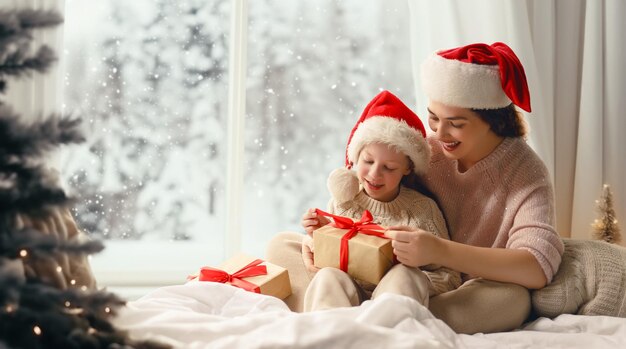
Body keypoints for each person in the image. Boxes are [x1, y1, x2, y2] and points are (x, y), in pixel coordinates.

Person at [266, 42, 564, 334]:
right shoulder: (427, 151)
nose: (438, 132)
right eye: (433, 117)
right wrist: (323, 240)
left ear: (493, 120)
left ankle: (364, 317)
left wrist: (439, 251)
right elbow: (369, 190)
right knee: (282, 245)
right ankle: (375, 314)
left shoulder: (525, 171)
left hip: (444, 288)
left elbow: (535, 268)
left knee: (512, 300)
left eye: (455, 123)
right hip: (365, 274)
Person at [300, 90, 461, 312]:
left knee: (404, 274)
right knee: (327, 275)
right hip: (348, 296)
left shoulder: (422, 210)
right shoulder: (344, 201)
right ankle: (330, 334)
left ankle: (386, 333)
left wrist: (417, 279)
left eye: (389, 167)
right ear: (356, 156)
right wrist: (318, 236)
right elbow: (330, 264)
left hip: (394, 298)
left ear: (407, 168)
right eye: (368, 161)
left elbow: (450, 276)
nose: (375, 174)